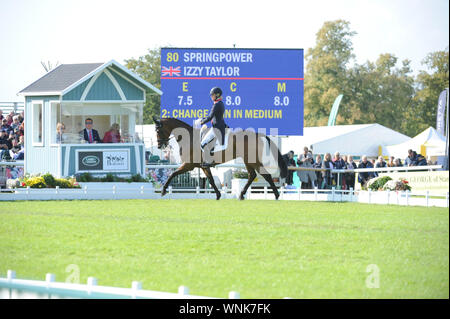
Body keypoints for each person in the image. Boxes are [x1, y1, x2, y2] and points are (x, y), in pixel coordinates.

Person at [198, 87, 228, 167]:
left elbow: (210, 117)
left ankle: (210, 161)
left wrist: (201, 122)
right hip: (218, 126)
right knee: (208, 144)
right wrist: (203, 119)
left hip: (216, 128)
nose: (211, 97)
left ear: (217, 95)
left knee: (203, 144)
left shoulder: (217, 105)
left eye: (213, 95)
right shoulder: (220, 103)